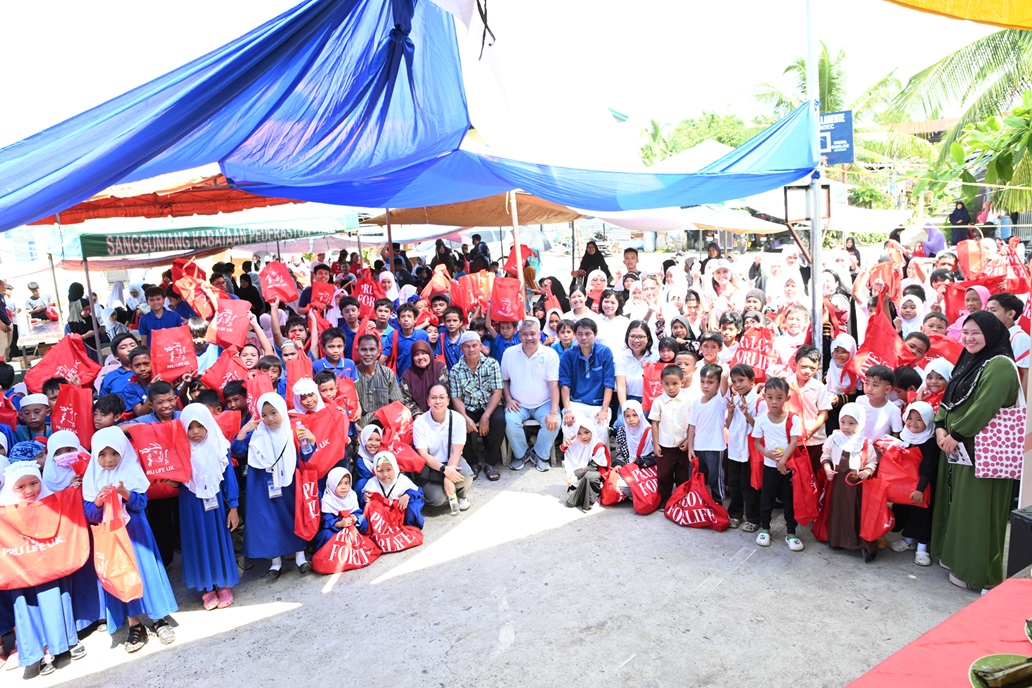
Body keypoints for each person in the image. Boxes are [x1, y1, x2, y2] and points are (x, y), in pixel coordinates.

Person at [932, 311, 1020, 591]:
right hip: (958, 444)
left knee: (977, 510)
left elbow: (986, 405)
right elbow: (951, 395)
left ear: (992, 334)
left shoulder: (1001, 365)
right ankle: (954, 556)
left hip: (981, 448)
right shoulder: (969, 359)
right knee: (956, 504)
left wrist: (956, 433)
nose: (969, 339)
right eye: (966, 332)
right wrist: (941, 427)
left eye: (976, 333)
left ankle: (976, 571)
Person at [82, 427, 178, 651]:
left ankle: (158, 618)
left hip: (136, 534)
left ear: (123, 452)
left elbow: (141, 504)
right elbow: (90, 515)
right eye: (103, 454)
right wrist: (97, 501)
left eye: (114, 453)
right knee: (121, 575)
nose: (109, 460)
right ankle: (134, 624)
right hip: (111, 538)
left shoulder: (131, 470)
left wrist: (126, 493)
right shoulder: (91, 478)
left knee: (144, 573)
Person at [235, 393, 315, 580]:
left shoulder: (293, 431)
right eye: (264, 415)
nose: (269, 419)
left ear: (282, 411)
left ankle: (300, 558)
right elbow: (237, 451)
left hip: (289, 484)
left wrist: (311, 440)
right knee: (271, 523)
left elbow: (306, 457)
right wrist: (244, 430)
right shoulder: (256, 435)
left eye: (273, 413)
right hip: (263, 486)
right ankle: (275, 563)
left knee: (292, 518)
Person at [178, 404, 240, 610]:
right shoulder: (180, 449)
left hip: (215, 505)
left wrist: (233, 507)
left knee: (217, 540)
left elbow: (229, 479)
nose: (195, 431)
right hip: (191, 505)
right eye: (190, 427)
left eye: (200, 426)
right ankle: (207, 588)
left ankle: (223, 584)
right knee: (197, 542)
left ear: (208, 425)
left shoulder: (219, 447)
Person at [820, 402, 880, 562]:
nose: (846, 427)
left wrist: (866, 472)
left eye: (852, 423)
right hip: (838, 482)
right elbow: (825, 455)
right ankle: (837, 539)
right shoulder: (834, 438)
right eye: (843, 422)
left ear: (860, 423)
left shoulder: (865, 443)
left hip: (856, 485)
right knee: (838, 510)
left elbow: (872, 462)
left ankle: (857, 542)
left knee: (856, 512)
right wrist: (827, 468)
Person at [751, 377, 805, 552]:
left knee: (789, 500)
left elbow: (794, 441)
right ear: (764, 397)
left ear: (787, 398)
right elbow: (757, 442)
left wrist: (783, 461)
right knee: (767, 498)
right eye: (770, 397)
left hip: (788, 468)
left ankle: (791, 532)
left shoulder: (792, 418)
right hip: (769, 467)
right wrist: (767, 454)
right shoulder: (761, 419)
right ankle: (765, 528)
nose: (774, 401)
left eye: (779, 397)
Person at [501, 318, 561, 472]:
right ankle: (522, 454)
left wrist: (554, 412)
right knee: (510, 422)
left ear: (539, 334)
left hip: (544, 403)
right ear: (519, 335)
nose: (529, 338)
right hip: (518, 404)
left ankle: (539, 454)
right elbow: (504, 380)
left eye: (532, 334)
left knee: (554, 423)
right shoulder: (509, 353)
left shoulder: (550, 354)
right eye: (525, 334)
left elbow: (554, 385)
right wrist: (508, 399)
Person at [449, 331, 505, 481]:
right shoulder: (455, 370)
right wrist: (465, 418)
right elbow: (456, 397)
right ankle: (473, 461)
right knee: (457, 423)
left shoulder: (492, 364)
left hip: (490, 405)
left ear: (481, 346)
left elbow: (497, 391)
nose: (471, 350)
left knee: (499, 420)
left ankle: (490, 462)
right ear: (462, 348)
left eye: (474, 345)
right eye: (467, 346)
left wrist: (486, 415)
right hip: (469, 406)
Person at [889, 402, 939, 567]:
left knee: (921, 515)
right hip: (905, 487)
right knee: (906, 512)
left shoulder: (930, 443)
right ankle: (908, 540)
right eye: (909, 418)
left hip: (922, 487)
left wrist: (920, 489)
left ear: (928, 420)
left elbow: (928, 469)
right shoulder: (904, 437)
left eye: (919, 419)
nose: (912, 423)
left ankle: (922, 549)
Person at [412, 383, 472, 515]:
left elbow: (456, 451)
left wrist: (448, 477)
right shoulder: (420, 423)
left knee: (467, 475)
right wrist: (444, 470)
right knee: (436, 500)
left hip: (452, 460)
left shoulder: (457, 419)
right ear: (428, 400)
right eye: (433, 398)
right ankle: (442, 493)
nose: (437, 401)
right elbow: (423, 455)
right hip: (431, 465)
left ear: (448, 400)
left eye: (442, 397)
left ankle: (461, 495)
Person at [559, 318, 616, 445]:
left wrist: (604, 409)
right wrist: (567, 410)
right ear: (575, 335)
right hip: (576, 403)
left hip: (598, 404)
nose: (583, 337)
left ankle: (600, 462)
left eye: (588, 334)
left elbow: (609, 384)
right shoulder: (568, 355)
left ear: (595, 335)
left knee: (602, 426)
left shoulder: (604, 352)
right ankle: (575, 462)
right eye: (579, 334)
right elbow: (564, 384)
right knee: (569, 425)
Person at [648, 364, 692, 506]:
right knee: (664, 475)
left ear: (682, 383)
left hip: (682, 445)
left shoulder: (688, 401)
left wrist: (688, 440)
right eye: (666, 384)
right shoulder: (658, 402)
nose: (671, 388)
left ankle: (680, 499)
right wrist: (656, 444)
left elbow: (692, 423)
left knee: (682, 474)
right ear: (661, 384)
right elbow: (654, 424)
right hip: (665, 445)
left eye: (675, 384)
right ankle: (665, 499)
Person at [726, 364, 762, 531]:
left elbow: (759, 428)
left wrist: (747, 413)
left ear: (752, 381)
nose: (738, 385)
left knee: (749, 486)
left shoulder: (759, 401)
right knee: (734, 484)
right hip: (734, 448)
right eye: (734, 382)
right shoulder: (734, 400)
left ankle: (753, 518)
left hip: (749, 451)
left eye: (741, 380)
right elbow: (727, 424)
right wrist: (731, 411)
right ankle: (735, 514)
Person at [686, 363, 727, 502]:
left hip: (715, 447)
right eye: (702, 382)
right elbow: (692, 426)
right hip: (698, 447)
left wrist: (721, 368)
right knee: (697, 476)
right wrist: (690, 448)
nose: (705, 386)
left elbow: (725, 376)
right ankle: (699, 502)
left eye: (710, 382)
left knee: (715, 477)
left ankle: (718, 502)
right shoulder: (696, 402)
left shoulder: (720, 399)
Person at [560, 413, 609, 511]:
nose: (583, 436)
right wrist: (564, 446)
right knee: (570, 502)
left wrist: (575, 473)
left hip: (591, 477)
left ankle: (593, 498)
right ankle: (583, 494)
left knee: (590, 476)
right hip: (578, 478)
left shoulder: (598, 445)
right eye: (579, 433)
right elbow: (565, 456)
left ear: (592, 431)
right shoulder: (574, 444)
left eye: (586, 432)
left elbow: (593, 467)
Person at [363, 452, 425, 528]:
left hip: (401, 509)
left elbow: (417, 491)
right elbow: (365, 495)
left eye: (388, 470)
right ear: (375, 471)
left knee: (412, 507)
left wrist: (407, 495)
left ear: (395, 468)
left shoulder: (402, 480)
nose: (385, 474)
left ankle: (412, 526)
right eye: (380, 471)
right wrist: (365, 497)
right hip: (385, 512)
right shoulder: (373, 482)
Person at [313, 466, 368, 552]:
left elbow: (357, 512)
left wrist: (355, 518)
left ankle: (353, 549)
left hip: (350, 527)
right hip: (335, 529)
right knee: (326, 535)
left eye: (346, 483)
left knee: (363, 522)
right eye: (339, 484)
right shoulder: (327, 500)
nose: (343, 487)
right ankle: (332, 553)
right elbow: (326, 522)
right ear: (332, 484)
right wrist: (339, 524)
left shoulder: (351, 495)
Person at [354, 333, 402, 427]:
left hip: (385, 427)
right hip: (359, 428)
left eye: (372, 350)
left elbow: (397, 404)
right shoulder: (352, 375)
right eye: (364, 350)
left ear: (379, 352)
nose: (368, 354)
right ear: (357, 351)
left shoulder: (387, 373)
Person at [400, 340, 449, 418]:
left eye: (423, 353)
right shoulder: (407, 375)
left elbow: (445, 392)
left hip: (442, 414)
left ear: (429, 353)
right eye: (416, 354)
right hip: (418, 418)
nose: (420, 357)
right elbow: (406, 400)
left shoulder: (440, 368)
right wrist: (417, 415)